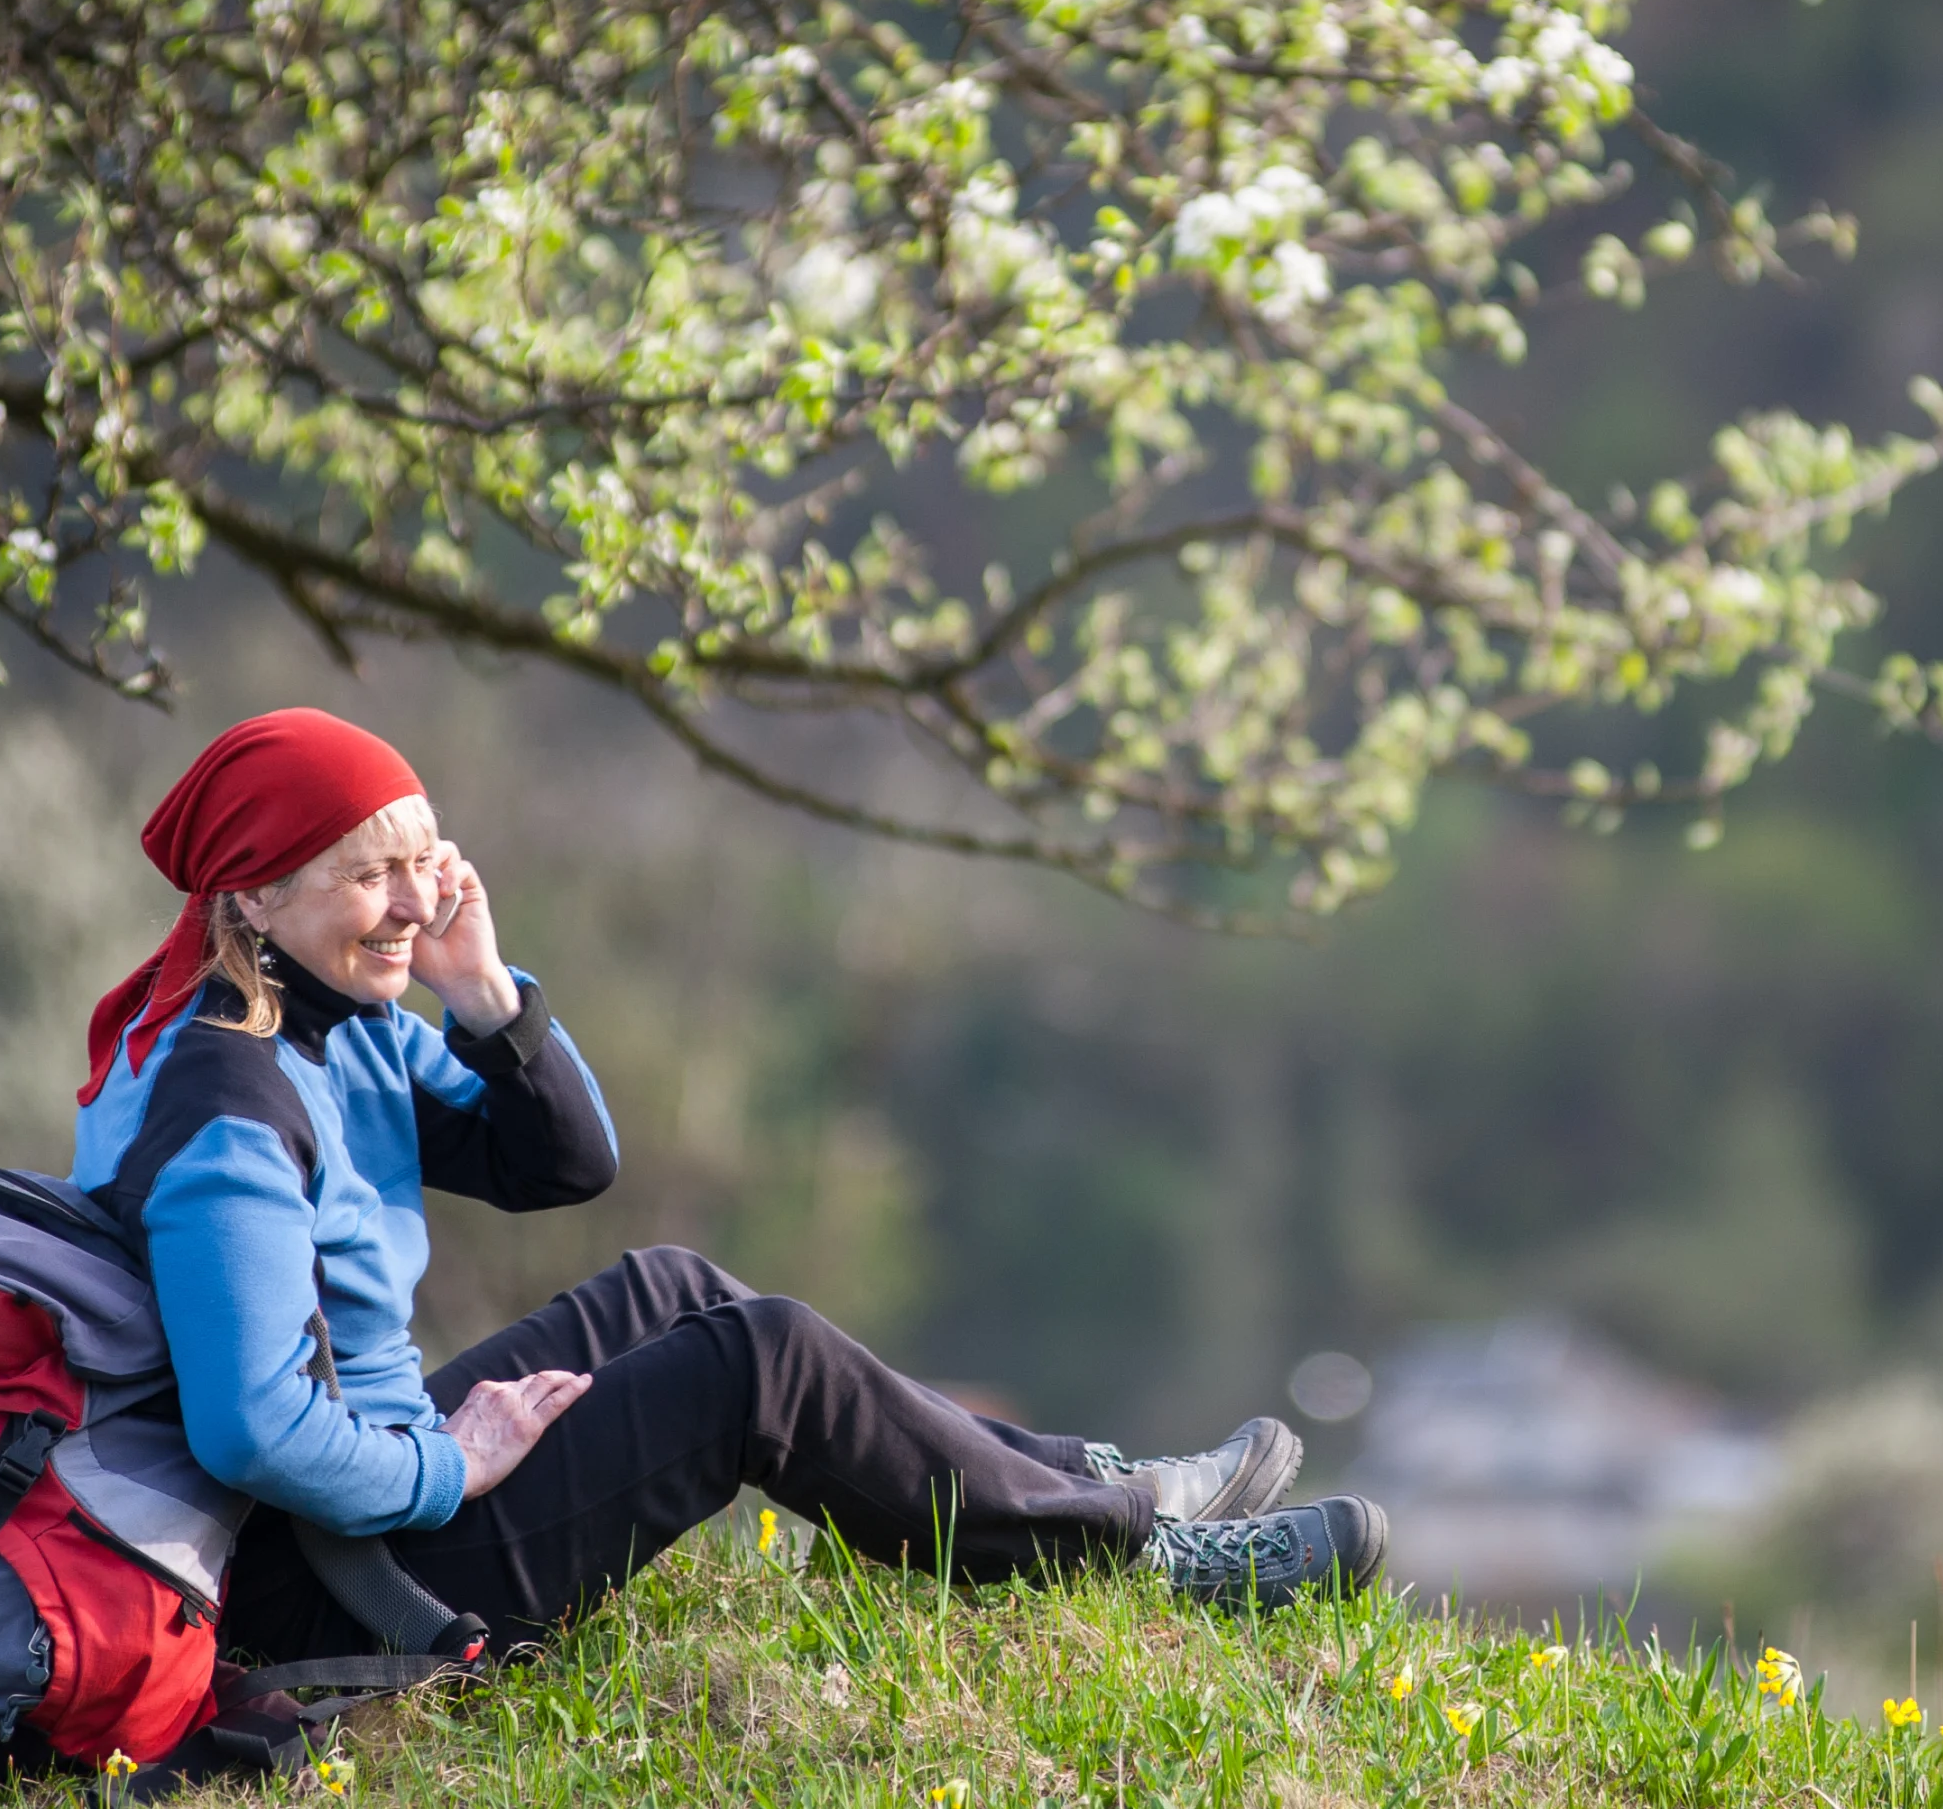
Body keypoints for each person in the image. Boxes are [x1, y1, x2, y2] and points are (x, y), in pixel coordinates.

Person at [70, 707, 1385, 1661]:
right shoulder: (221, 1110)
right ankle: (1143, 1553)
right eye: (370, 872)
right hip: (321, 1579)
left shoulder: (329, 1023)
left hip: (367, 1487)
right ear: (253, 893)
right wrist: (446, 1464)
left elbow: (565, 1164)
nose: (413, 899)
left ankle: (1093, 1480)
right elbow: (251, 1435)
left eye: (424, 857)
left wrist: (485, 991)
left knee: (674, 1285)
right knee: (761, 1360)